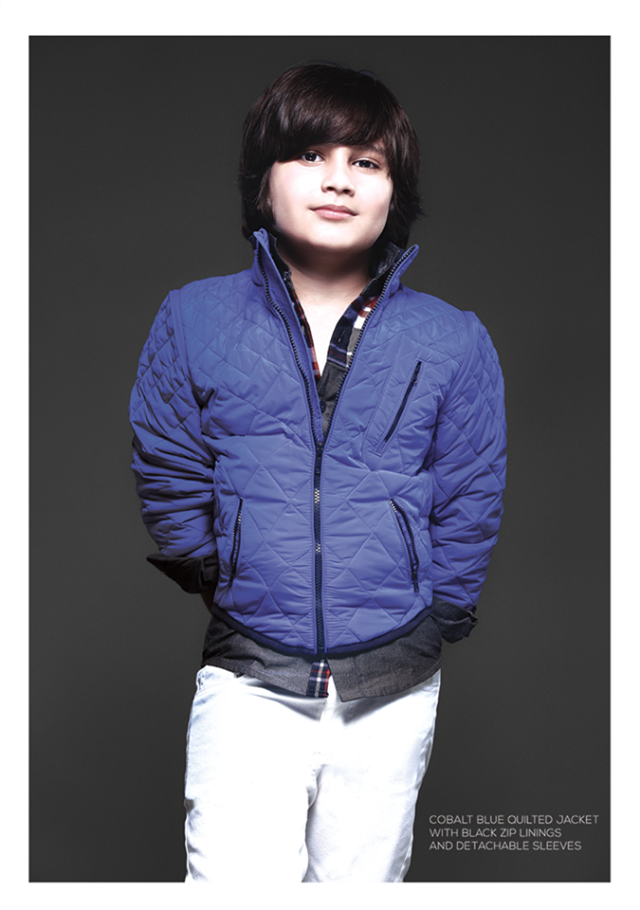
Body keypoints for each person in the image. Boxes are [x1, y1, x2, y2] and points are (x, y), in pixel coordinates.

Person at [129, 62, 507, 883]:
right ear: (262, 181)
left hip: (394, 680)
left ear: (394, 191)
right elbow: (167, 458)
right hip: (248, 671)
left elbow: (471, 488)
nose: (338, 180)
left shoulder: (453, 338)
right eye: (310, 155)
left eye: (366, 162)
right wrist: (218, 569)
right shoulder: (193, 316)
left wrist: (439, 610)